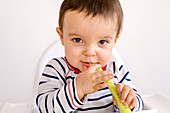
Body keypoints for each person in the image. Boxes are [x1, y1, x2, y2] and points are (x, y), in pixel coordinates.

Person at [36, 0, 143, 112]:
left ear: (114, 41)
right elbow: (44, 108)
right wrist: (78, 88)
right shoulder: (57, 70)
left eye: (102, 42)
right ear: (62, 37)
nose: (90, 52)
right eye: (77, 40)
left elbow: (139, 106)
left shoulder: (117, 72)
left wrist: (130, 101)